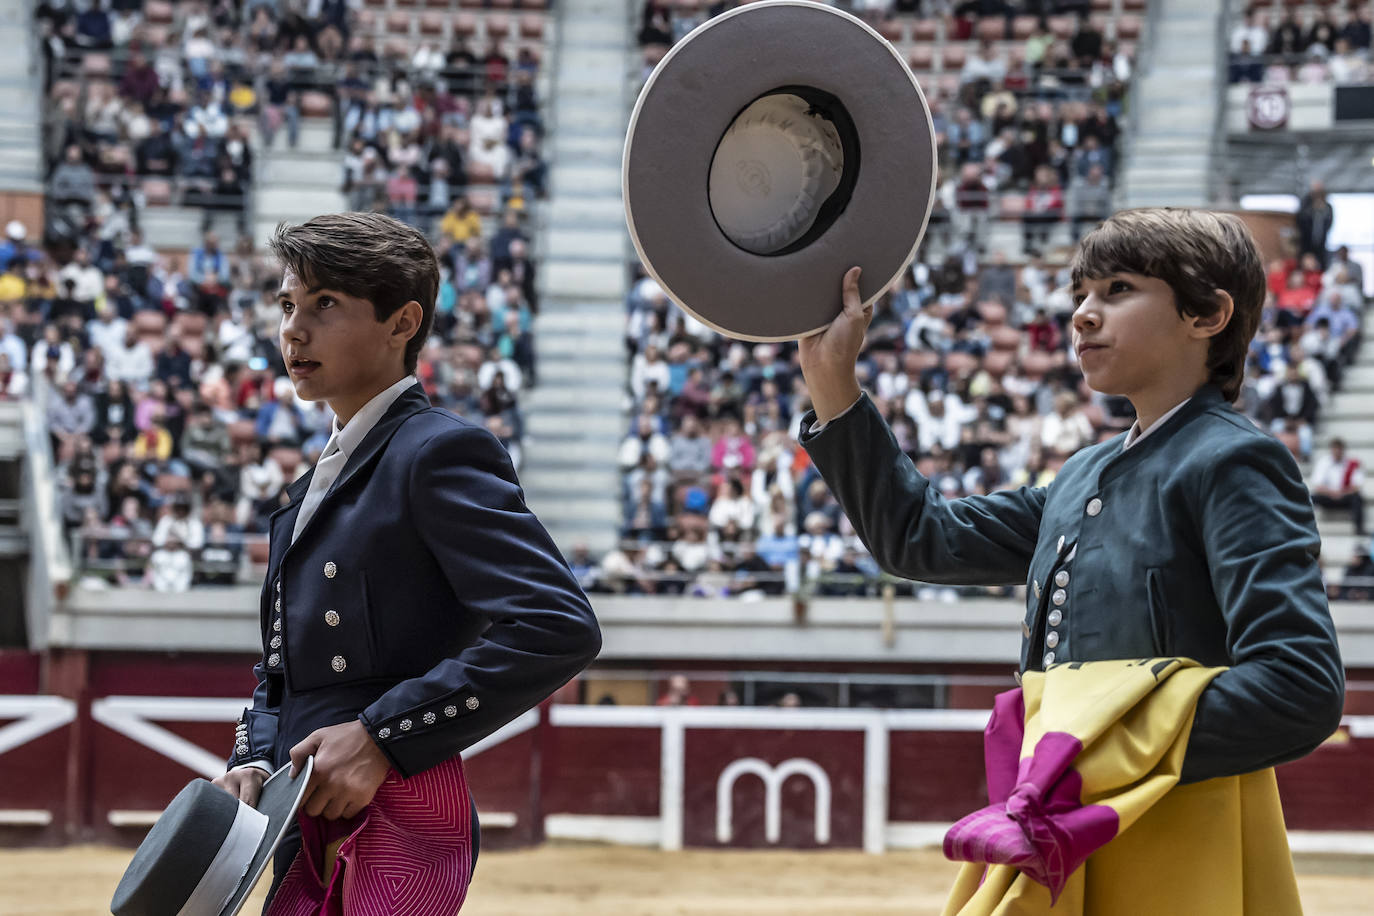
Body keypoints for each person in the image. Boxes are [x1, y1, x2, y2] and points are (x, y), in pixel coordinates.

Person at [795, 208, 1342, 899]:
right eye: (1080, 295)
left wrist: (1092, 756)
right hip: (1060, 824)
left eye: (1118, 290)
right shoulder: (1083, 476)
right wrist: (834, 385)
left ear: (1207, 314)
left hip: (1165, 835)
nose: (1083, 315)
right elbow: (920, 538)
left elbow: (1300, 687)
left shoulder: (1233, 462)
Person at [210, 212, 600, 911]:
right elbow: (278, 677)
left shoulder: (437, 454)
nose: (293, 330)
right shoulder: (308, 492)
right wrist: (254, 758)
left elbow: (557, 624)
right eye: (288, 306)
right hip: (301, 817)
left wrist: (382, 737)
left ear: (402, 323)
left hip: (391, 817)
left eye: (325, 304)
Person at [1310, 437, 1365, 536]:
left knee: (1358, 499)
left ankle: (1359, 529)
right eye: (1335, 449)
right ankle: (1307, 528)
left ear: (1343, 450)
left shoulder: (1352, 463)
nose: (1337, 452)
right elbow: (1317, 485)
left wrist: (1341, 493)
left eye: (1339, 449)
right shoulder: (1323, 462)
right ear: (1331, 450)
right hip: (1328, 497)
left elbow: (1357, 486)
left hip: (1345, 497)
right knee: (1310, 498)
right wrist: (1332, 493)